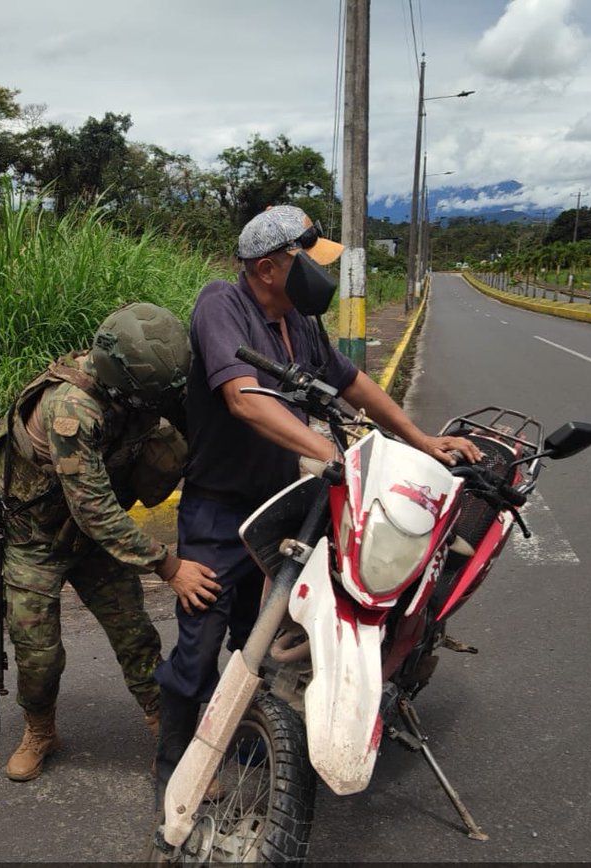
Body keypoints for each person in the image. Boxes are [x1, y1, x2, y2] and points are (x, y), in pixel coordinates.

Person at [152, 205, 482, 805]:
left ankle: (235, 734)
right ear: (268, 267)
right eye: (309, 260)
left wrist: (421, 439)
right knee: (199, 644)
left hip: (282, 504)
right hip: (219, 510)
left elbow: (353, 383)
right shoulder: (222, 303)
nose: (320, 274)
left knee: (257, 635)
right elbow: (244, 399)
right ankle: (174, 762)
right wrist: (334, 454)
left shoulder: (300, 323)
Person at [0, 301, 222, 782]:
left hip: (93, 541)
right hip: (37, 540)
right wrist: (169, 566)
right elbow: (93, 509)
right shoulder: (72, 410)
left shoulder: (143, 386)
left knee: (136, 636)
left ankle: (170, 737)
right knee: (37, 652)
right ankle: (40, 730)